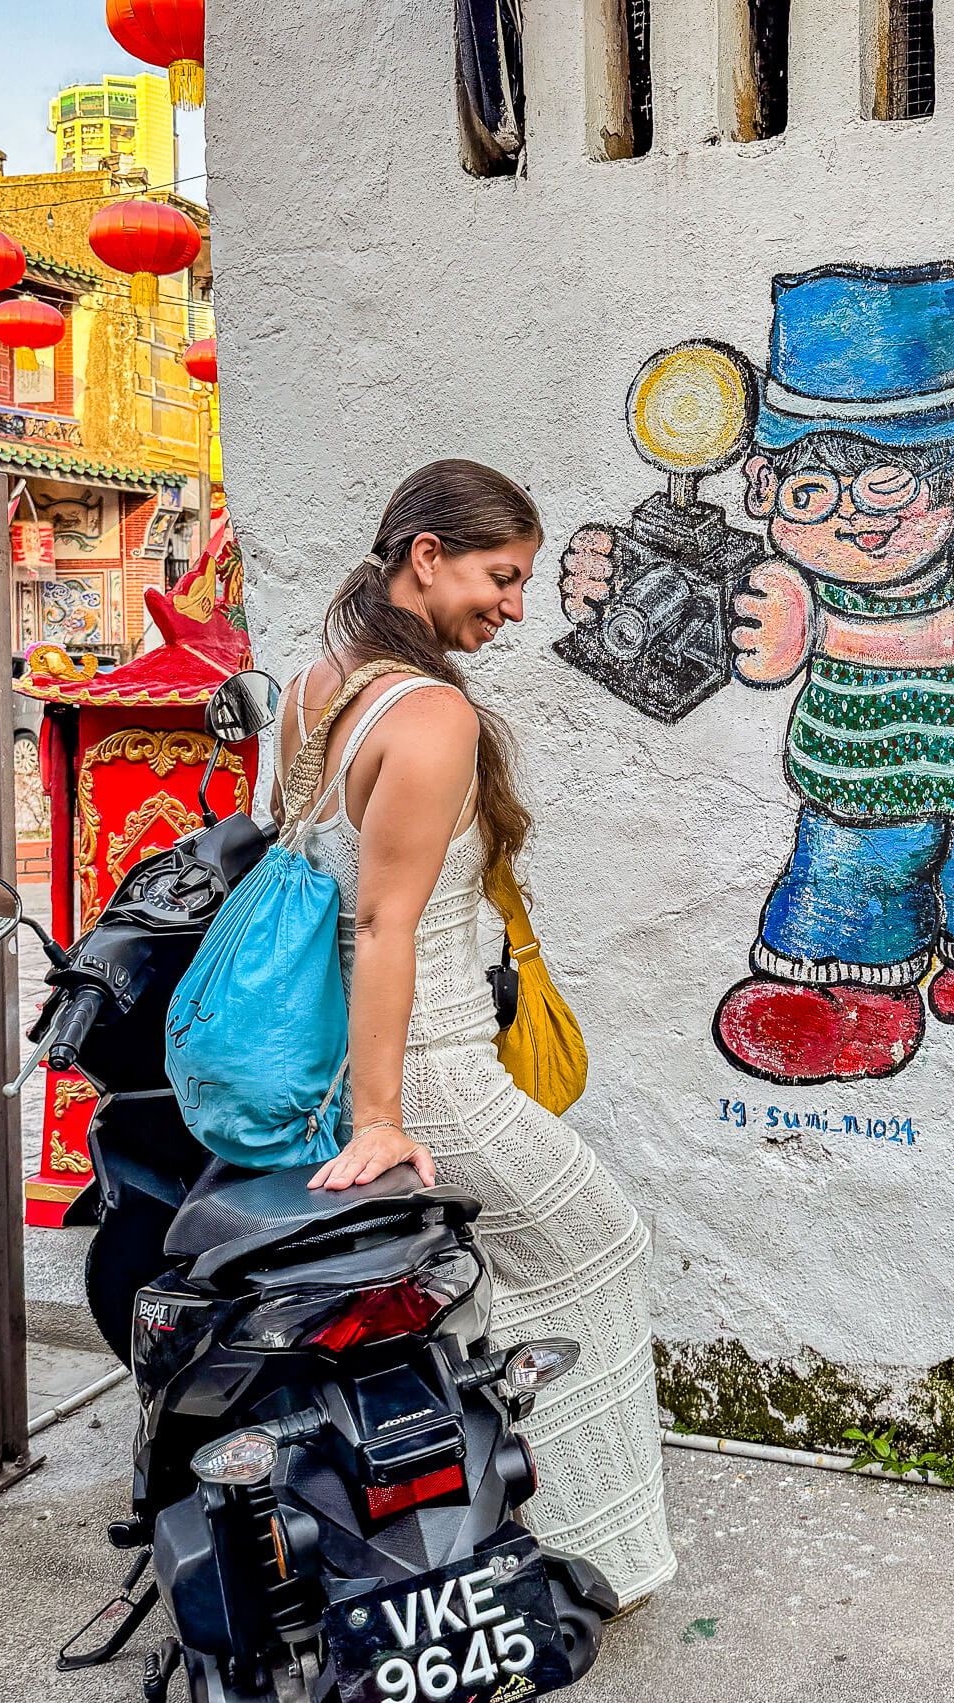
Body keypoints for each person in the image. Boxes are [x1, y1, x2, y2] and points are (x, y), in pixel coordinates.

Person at [271, 459, 676, 1609]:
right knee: (602, 1241)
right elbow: (383, 919)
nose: (512, 604)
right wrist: (387, 1120)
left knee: (477, 1292)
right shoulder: (431, 711)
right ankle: (584, 1548)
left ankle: (477, 1523)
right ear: (426, 556)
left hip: (339, 1060)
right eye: (500, 577)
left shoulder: (315, 690)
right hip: (433, 1067)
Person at [561, 258, 954, 1082]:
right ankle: (848, 1005)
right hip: (856, 794)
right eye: (811, 492)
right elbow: (698, 643)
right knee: (843, 894)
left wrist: (823, 633)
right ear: (760, 489)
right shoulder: (786, 584)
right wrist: (614, 588)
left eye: (884, 484)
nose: (849, 517)